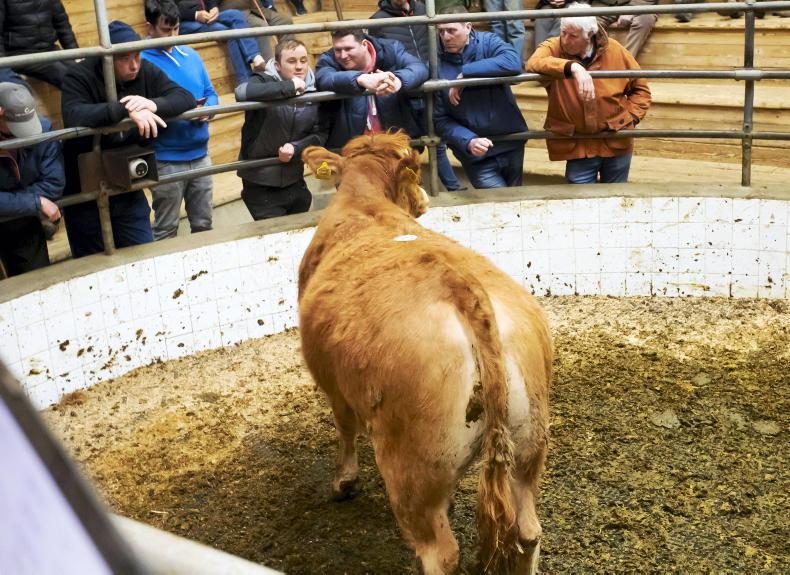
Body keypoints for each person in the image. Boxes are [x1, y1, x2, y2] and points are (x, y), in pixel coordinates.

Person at [60, 20, 196, 258]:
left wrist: (153, 104)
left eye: (137, 56)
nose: (134, 65)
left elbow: (185, 97)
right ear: (107, 58)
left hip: (128, 181)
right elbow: (73, 114)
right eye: (125, 58)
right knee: (92, 265)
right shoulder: (79, 74)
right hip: (84, 188)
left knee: (144, 255)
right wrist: (123, 109)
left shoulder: (145, 69)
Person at [525, 3, 651, 184]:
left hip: (616, 139)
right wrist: (572, 67)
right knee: (580, 200)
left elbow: (641, 89)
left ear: (590, 35)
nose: (565, 40)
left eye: (573, 35)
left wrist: (631, 118)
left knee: (616, 197)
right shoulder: (555, 46)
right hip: (579, 145)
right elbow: (533, 63)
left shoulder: (615, 50)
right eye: (563, 32)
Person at [370, 0, 462, 191]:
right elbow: (382, 57)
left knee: (437, 141)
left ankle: (454, 189)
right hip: (404, 91)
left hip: (432, 86)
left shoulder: (425, 10)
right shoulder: (377, 21)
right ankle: (413, 192)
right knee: (407, 146)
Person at [142, 0, 216, 240]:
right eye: (166, 30)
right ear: (149, 27)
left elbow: (211, 93)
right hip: (166, 157)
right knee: (165, 228)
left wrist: (210, 110)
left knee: (204, 224)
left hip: (201, 153)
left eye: (177, 29)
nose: (173, 36)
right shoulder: (141, 61)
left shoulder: (191, 55)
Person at [434, 8, 527, 189]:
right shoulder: (436, 64)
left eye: (451, 30)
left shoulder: (488, 42)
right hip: (476, 155)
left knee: (517, 203)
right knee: (499, 203)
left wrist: (466, 74)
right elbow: (440, 119)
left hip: (510, 143)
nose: (445, 37)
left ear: (468, 27)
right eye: (441, 31)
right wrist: (468, 140)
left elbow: (513, 62)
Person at [234, 39, 327, 219]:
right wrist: (289, 87)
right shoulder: (262, 79)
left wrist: (296, 147)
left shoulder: (315, 89)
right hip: (261, 184)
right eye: (291, 61)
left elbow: (320, 133)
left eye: (303, 60)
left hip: (296, 182)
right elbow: (242, 93)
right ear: (277, 65)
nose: (299, 67)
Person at [315, 29, 428, 149]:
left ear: (364, 45)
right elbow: (324, 78)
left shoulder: (390, 49)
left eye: (348, 49)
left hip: (394, 145)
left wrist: (399, 80)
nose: (342, 56)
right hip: (352, 150)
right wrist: (359, 79)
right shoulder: (329, 59)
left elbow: (419, 68)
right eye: (337, 50)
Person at [0, 82, 63, 277]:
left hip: (23, 219)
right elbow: (44, 193)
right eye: (16, 125)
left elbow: (54, 184)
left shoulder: (43, 128)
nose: (25, 133)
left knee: (38, 282)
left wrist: (11, 202)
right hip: (29, 208)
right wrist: (35, 202)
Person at [174, 0, 266, 84]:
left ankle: (255, 56)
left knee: (236, 14)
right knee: (229, 32)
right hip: (183, 22)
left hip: (205, 15)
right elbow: (167, 9)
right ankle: (245, 82)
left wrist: (213, 8)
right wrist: (195, 15)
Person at [0, 0, 78, 89]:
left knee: (83, 71)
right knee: (64, 75)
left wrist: (76, 54)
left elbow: (62, 23)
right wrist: (3, 66)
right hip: (19, 54)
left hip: (50, 49)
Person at [219, 0, 296, 62]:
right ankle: (269, 69)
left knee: (285, 21)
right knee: (260, 27)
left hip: (256, 8)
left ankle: (289, 59)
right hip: (236, 11)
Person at [590, 0, 657, 58]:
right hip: (602, 5)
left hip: (639, 4)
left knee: (645, 19)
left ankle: (625, 64)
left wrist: (632, 9)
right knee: (588, 25)